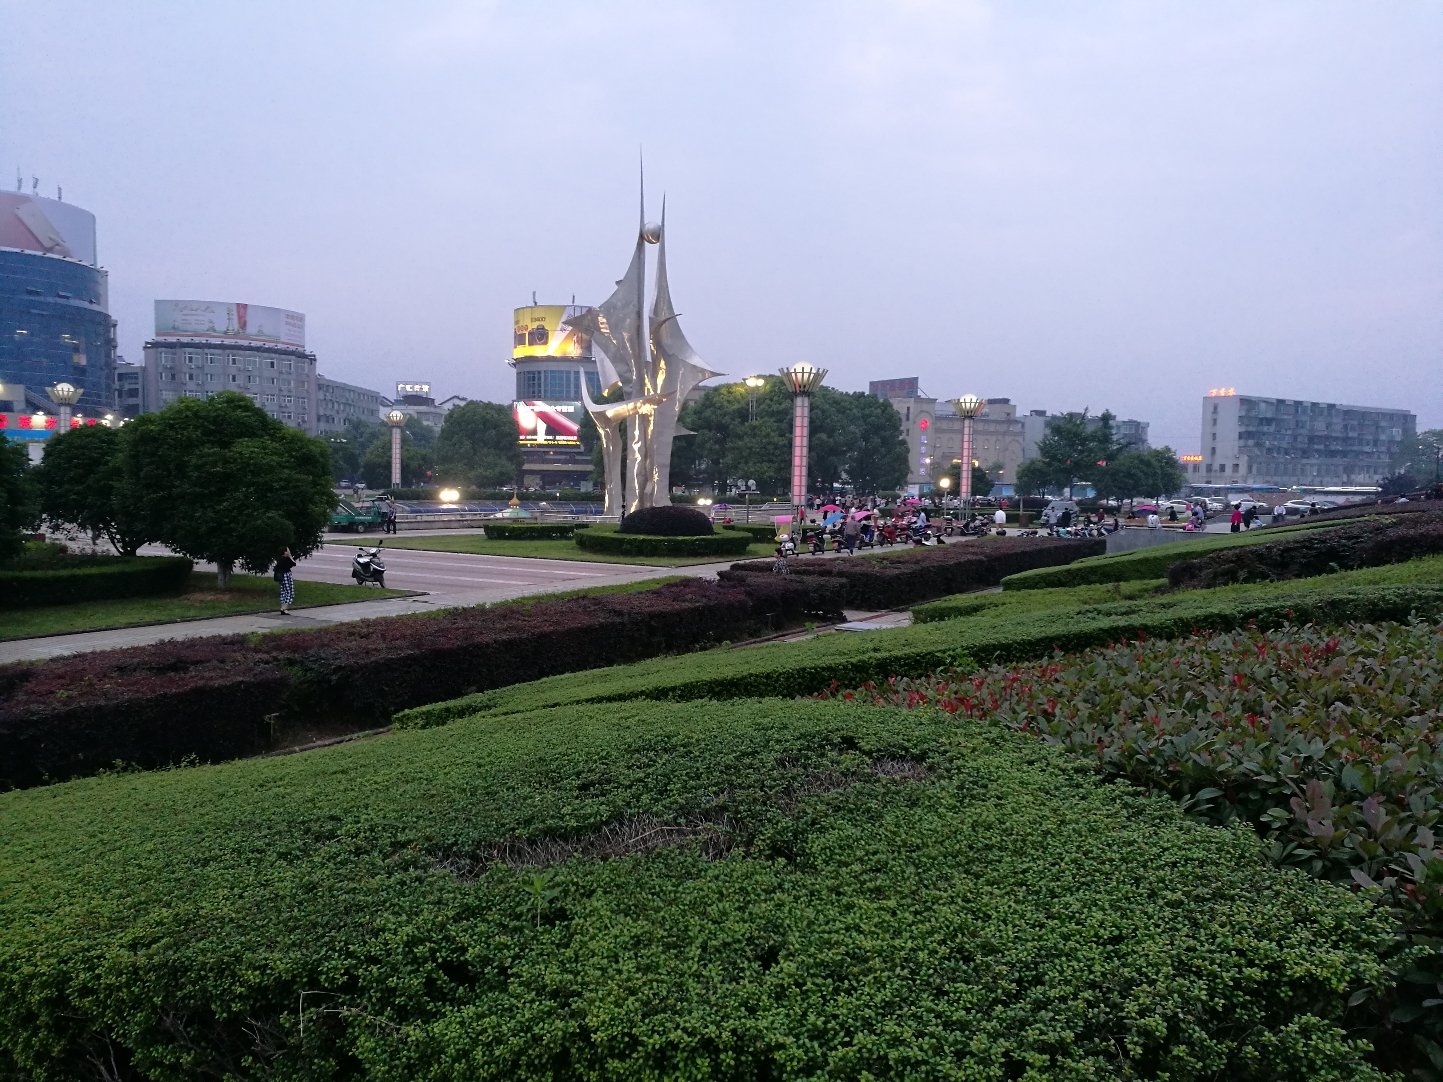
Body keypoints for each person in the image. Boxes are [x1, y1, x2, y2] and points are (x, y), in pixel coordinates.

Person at [273, 546, 297, 615]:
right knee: (289, 592)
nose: (288, 552)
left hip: (282, 576)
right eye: (287, 551)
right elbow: (294, 563)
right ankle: (284, 608)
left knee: (284, 591)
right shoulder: (285, 559)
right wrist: (290, 556)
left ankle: (282, 608)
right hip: (286, 575)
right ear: (284, 552)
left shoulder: (280, 559)